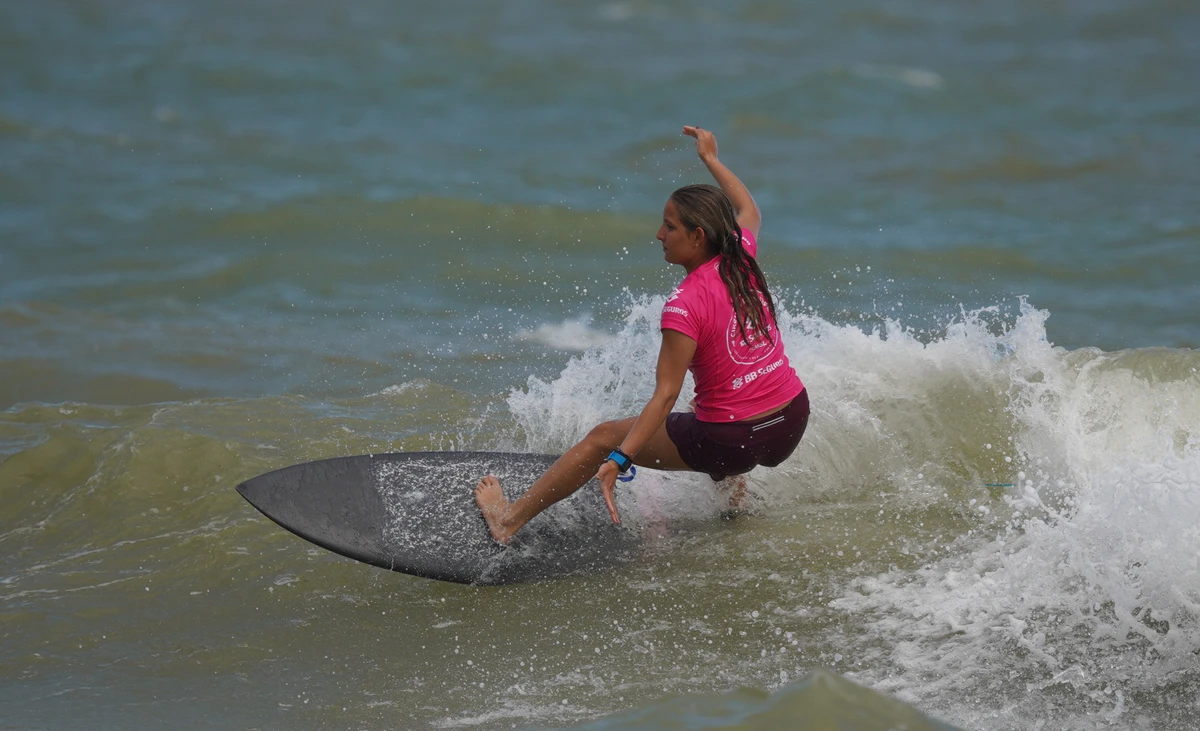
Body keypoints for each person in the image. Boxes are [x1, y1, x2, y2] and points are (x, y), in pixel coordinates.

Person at [475, 125, 809, 544]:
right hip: (790, 422)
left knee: (602, 436)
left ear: (698, 236)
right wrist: (712, 160)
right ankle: (733, 502)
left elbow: (664, 395)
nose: (659, 235)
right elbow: (750, 209)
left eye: (669, 227)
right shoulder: (740, 257)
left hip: (734, 439)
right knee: (706, 405)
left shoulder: (683, 306)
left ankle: (506, 522)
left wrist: (619, 456)